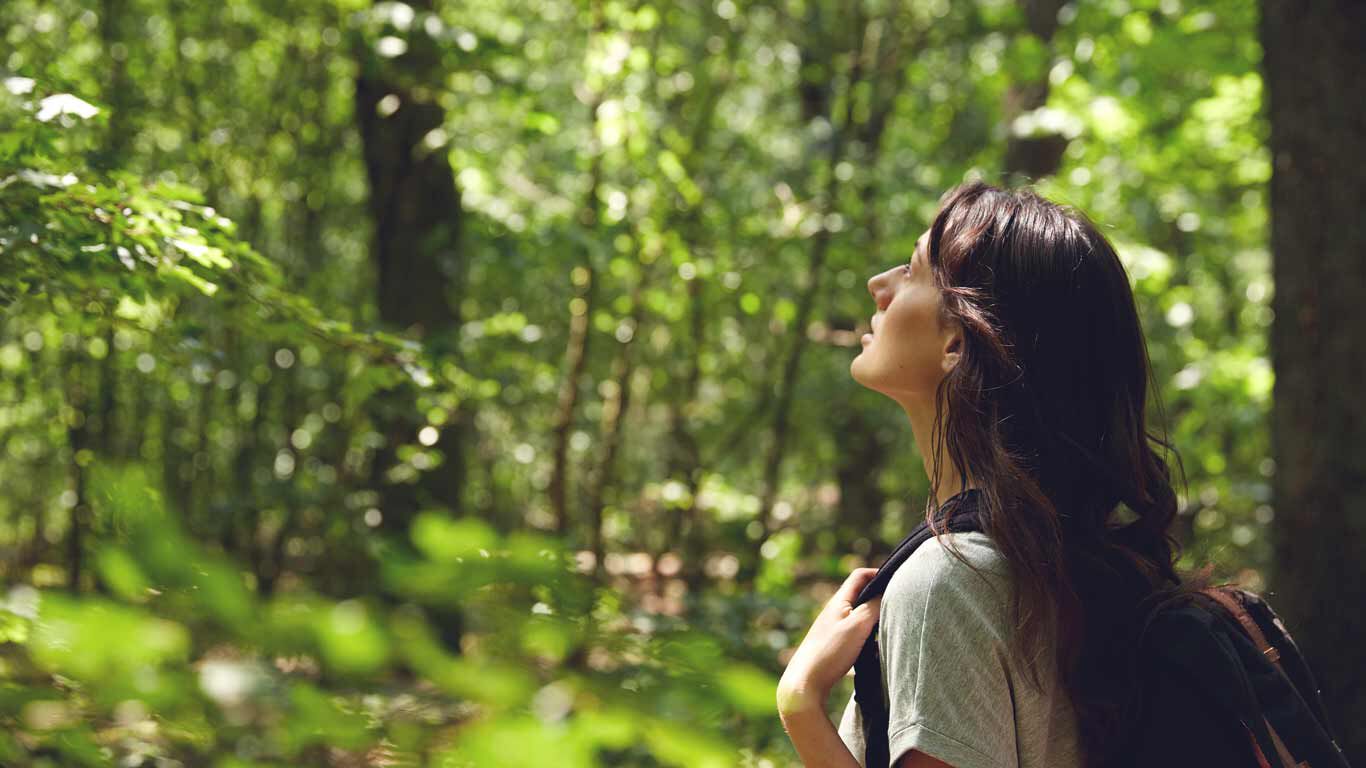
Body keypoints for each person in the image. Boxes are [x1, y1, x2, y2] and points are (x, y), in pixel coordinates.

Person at [775, 181, 1214, 768]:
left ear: (955, 343)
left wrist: (802, 709)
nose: (879, 287)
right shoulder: (1077, 568)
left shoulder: (950, 585)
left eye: (911, 270)